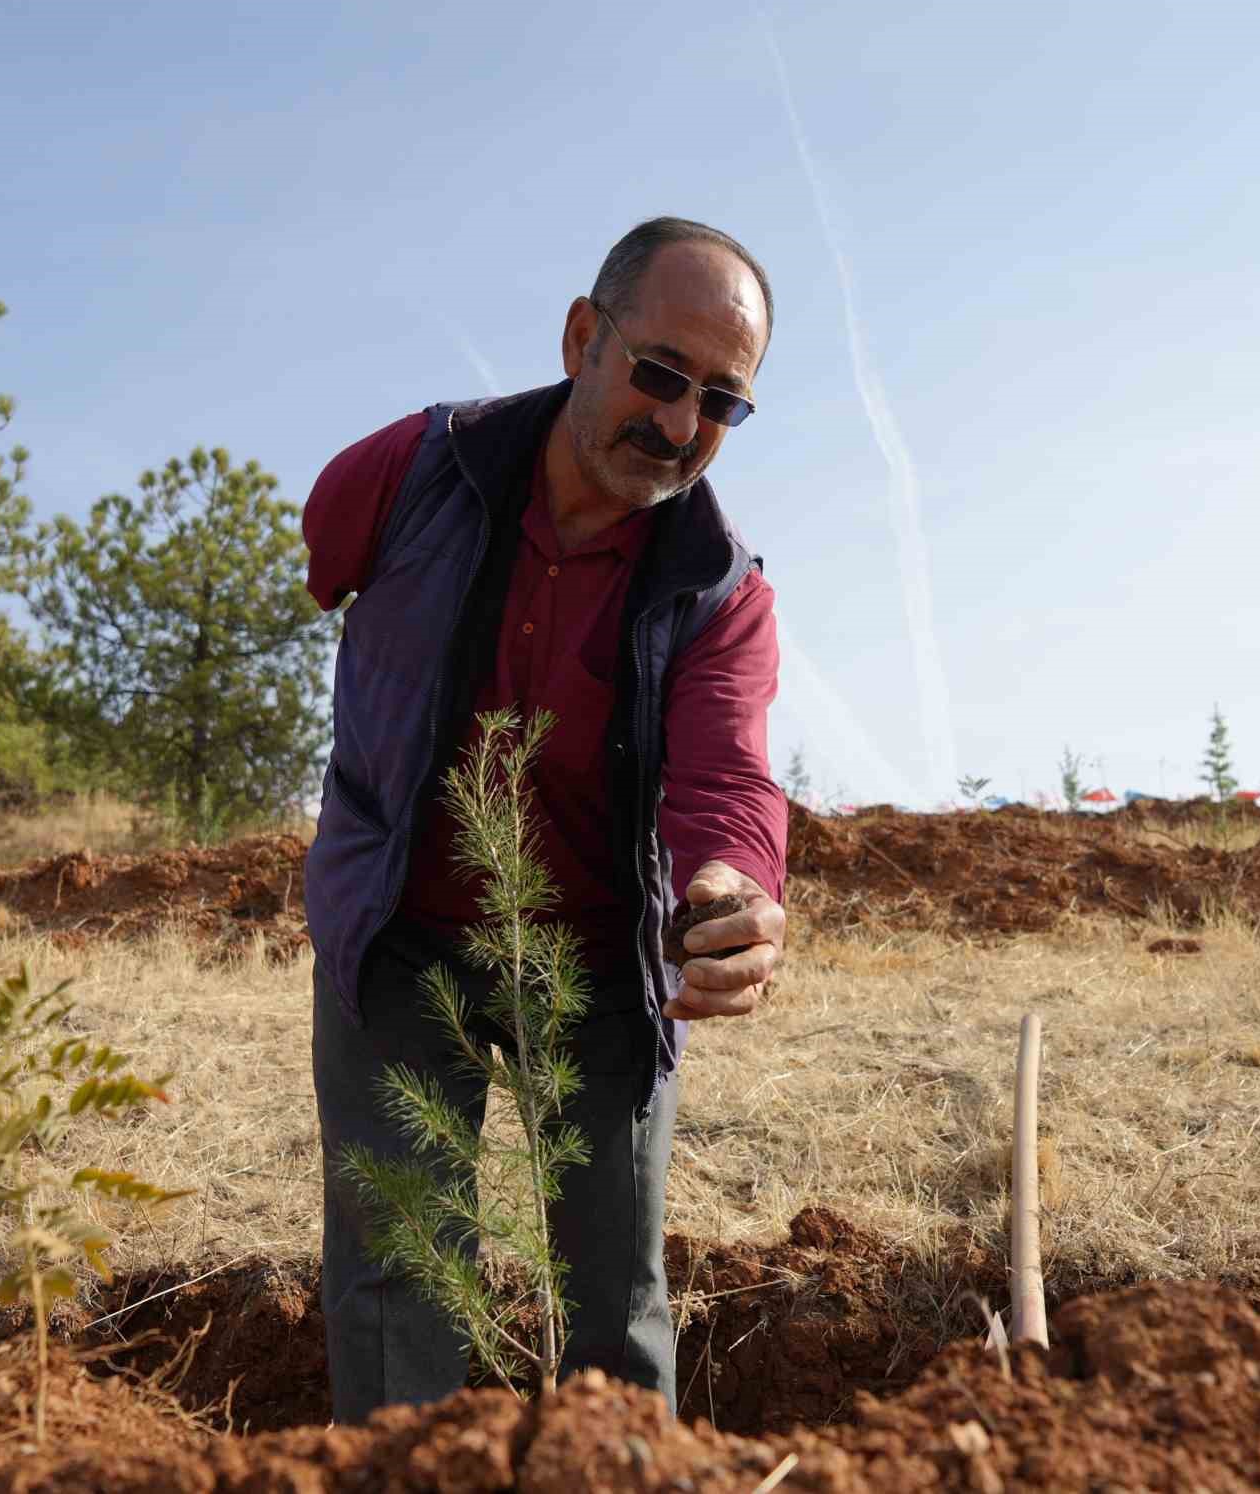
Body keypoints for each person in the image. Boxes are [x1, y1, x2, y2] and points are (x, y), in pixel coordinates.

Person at [301, 216, 788, 1424]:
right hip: (400, 929)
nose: (680, 425)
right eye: (659, 374)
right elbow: (325, 556)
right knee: (397, 1280)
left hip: (597, 965)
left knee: (615, 1294)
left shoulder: (721, 588)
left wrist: (729, 886)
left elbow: (726, 776)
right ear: (583, 337)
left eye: (721, 402)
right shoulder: (407, 473)